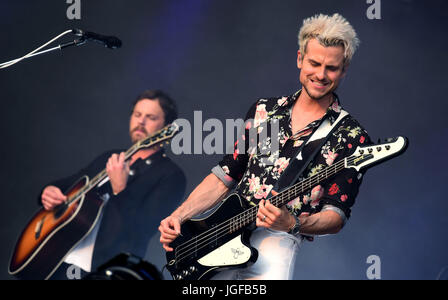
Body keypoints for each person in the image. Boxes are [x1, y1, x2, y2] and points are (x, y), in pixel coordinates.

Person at [159, 14, 372, 280]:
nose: (320, 74)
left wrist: (294, 223)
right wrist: (179, 216)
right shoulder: (266, 111)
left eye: (331, 68)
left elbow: (335, 215)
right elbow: (227, 175)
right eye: (314, 63)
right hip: (224, 234)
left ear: (344, 69)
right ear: (299, 59)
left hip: (278, 242)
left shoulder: (350, 135)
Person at [41, 90, 186, 279]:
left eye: (150, 117)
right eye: (137, 114)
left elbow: (142, 229)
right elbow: (71, 183)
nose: (140, 122)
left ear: (166, 126)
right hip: (59, 258)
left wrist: (120, 190)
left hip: (107, 270)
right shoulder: (110, 158)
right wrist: (49, 190)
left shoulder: (171, 176)